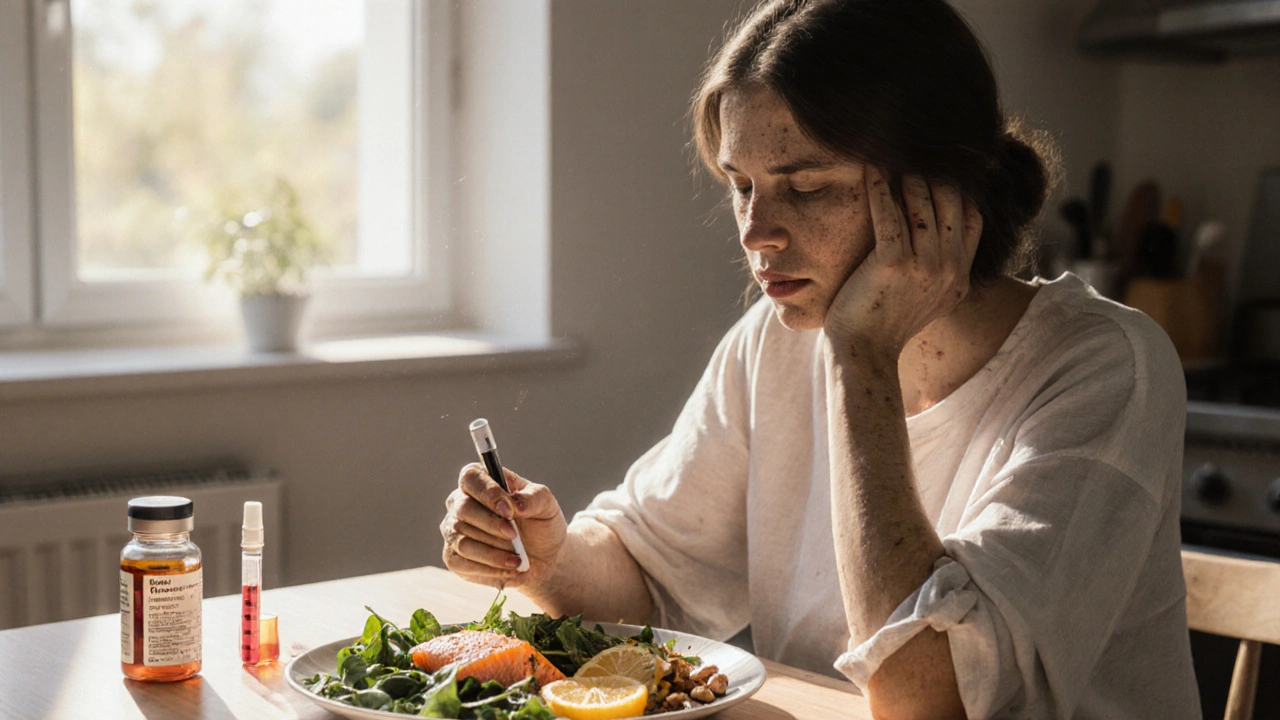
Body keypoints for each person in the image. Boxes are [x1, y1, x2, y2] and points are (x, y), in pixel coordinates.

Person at [439, 1, 1200, 717]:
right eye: (742, 186)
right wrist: (548, 558)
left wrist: (859, 358)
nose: (755, 231)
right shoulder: (773, 343)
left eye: (806, 187)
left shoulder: (1106, 367)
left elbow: (924, 699)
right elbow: (649, 577)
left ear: (939, 190)